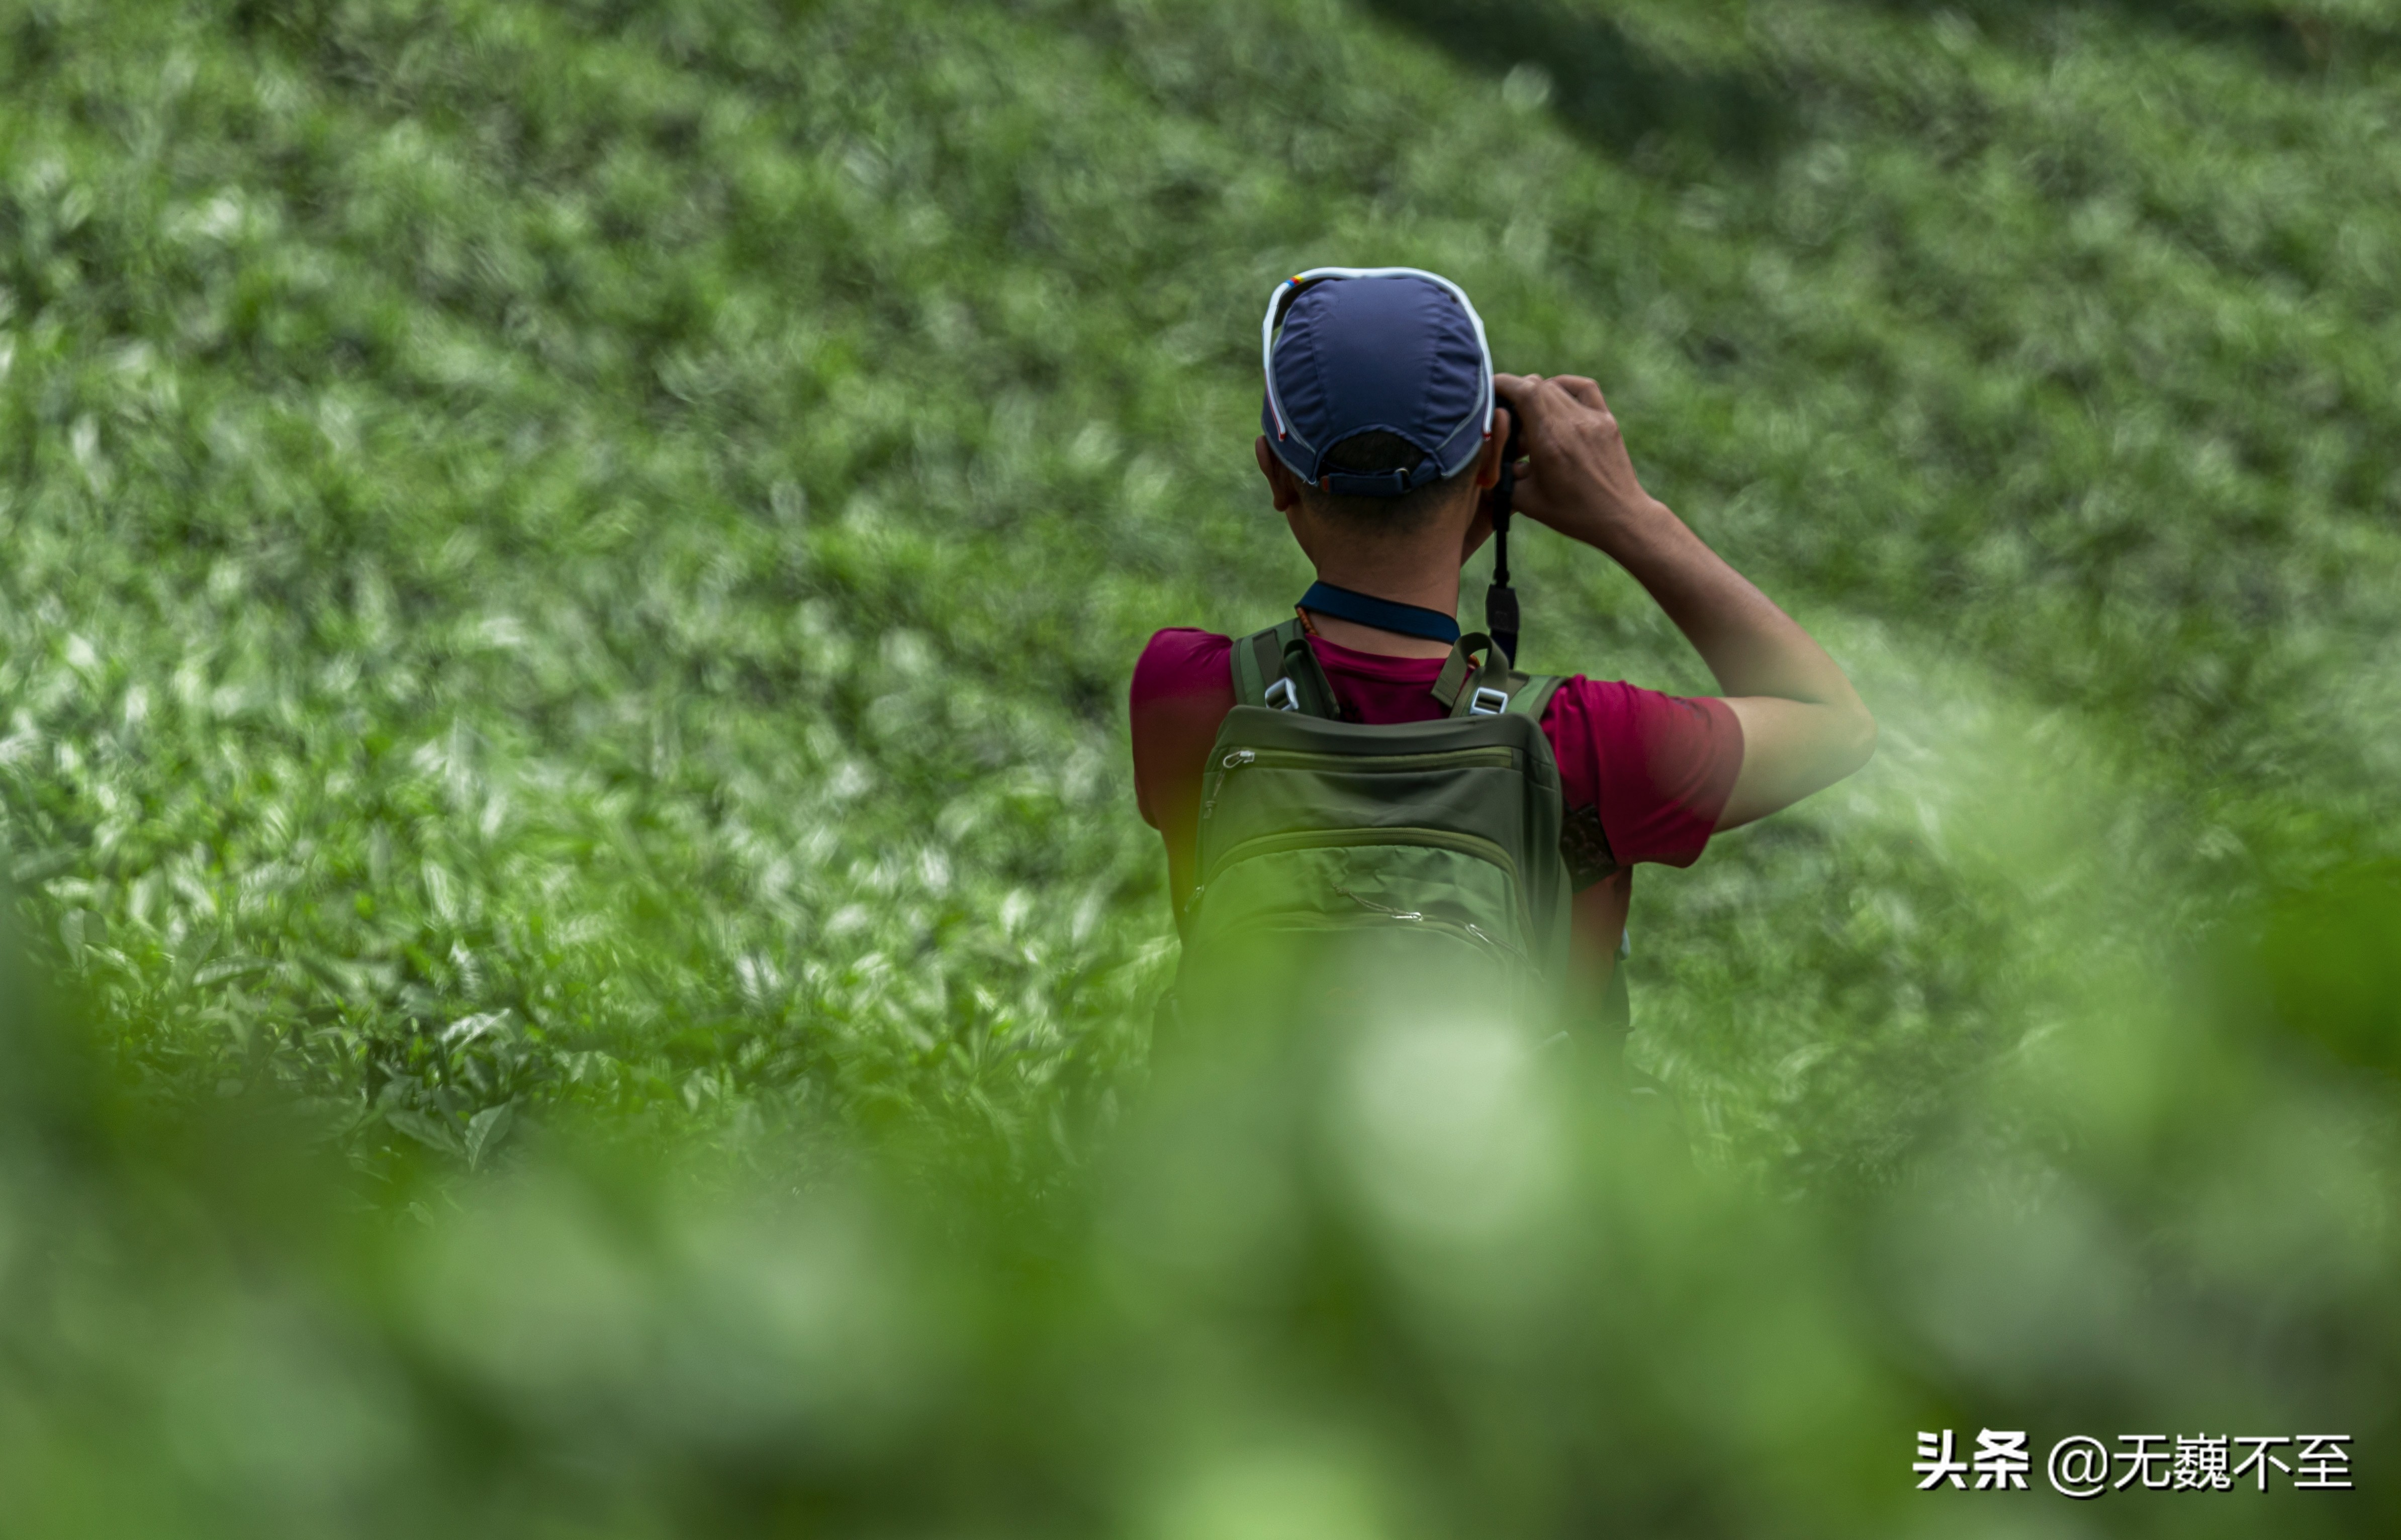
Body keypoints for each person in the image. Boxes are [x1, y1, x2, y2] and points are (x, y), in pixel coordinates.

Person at [1130, 266, 1875, 1026]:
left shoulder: (1185, 694)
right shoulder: (1585, 744)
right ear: (1491, 464)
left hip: (1239, 1144)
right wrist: (1628, 516)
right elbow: (1834, 722)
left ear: (1274, 475)